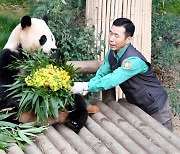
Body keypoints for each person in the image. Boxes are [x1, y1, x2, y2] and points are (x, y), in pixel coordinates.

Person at [71, 18, 173, 131]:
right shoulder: (112, 53)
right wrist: (90, 85)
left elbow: (113, 79)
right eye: (110, 33)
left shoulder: (134, 61)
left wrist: (85, 86)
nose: (111, 39)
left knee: (163, 142)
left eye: (116, 35)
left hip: (156, 107)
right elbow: (103, 72)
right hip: (137, 106)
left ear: (128, 39)